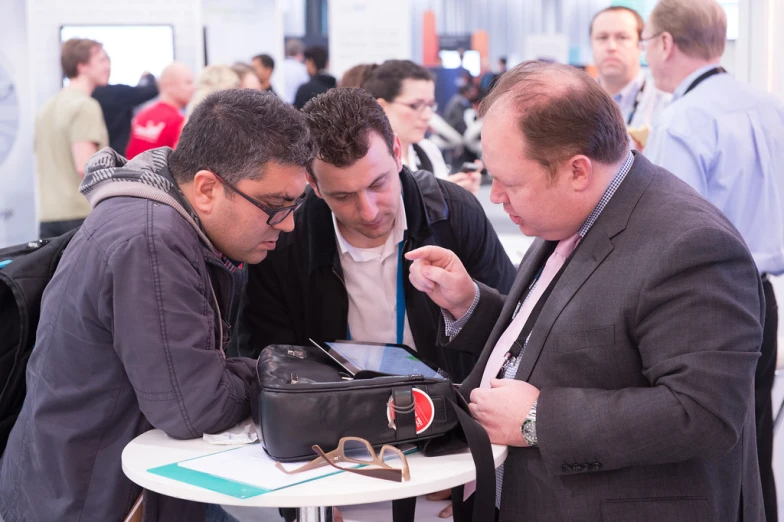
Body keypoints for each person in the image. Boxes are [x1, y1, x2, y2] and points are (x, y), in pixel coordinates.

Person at [406, 61, 764, 521]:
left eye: (510, 183)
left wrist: (539, 420)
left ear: (577, 170)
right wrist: (469, 304)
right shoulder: (577, 209)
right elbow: (566, 338)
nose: (496, 197)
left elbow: (704, 413)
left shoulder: (691, 245)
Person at [0, 89, 313, 522]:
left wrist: (224, 373)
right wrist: (270, 374)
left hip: (98, 481)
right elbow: (194, 408)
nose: (290, 222)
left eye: (297, 204)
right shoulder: (151, 242)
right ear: (206, 188)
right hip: (91, 499)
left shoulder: (159, 220)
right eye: (276, 206)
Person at [241, 87, 515, 381]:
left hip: (446, 406)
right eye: (343, 196)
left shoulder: (453, 213)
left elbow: (515, 333)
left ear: (397, 153)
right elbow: (267, 363)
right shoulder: (285, 242)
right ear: (314, 184)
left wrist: (467, 303)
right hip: (334, 411)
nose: (369, 211)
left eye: (378, 184)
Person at [643, 1, 784, 519]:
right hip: (762, 295)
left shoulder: (682, 119)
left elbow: (663, 229)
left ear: (663, 44)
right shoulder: (770, 106)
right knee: (755, 438)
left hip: (703, 303)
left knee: (706, 446)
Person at [362, 60, 482, 194]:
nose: (427, 116)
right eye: (415, 106)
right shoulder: (366, 160)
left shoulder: (428, 151)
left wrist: (460, 196)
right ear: (382, 107)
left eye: (429, 105)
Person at [35, 38, 110, 238]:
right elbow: (85, 167)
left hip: (49, 217)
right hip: (80, 217)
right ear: (82, 65)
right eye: (102, 60)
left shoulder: (46, 108)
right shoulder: (85, 106)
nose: (108, 66)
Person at [590, 6, 670, 148]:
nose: (611, 47)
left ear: (641, 45)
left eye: (622, 37)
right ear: (591, 44)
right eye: (602, 37)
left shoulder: (666, 103)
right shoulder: (575, 102)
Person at [125, 62, 194, 159]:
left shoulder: (142, 115)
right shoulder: (179, 122)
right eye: (188, 82)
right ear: (169, 85)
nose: (193, 88)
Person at [92, 71, 159, 155]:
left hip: (96, 154)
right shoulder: (117, 93)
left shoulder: (88, 96)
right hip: (117, 155)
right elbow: (149, 91)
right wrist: (149, 77)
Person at [282, 38, 310, 104]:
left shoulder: (279, 66)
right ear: (301, 54)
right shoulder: (302, 69)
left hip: (280, 105)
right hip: (296, 107)